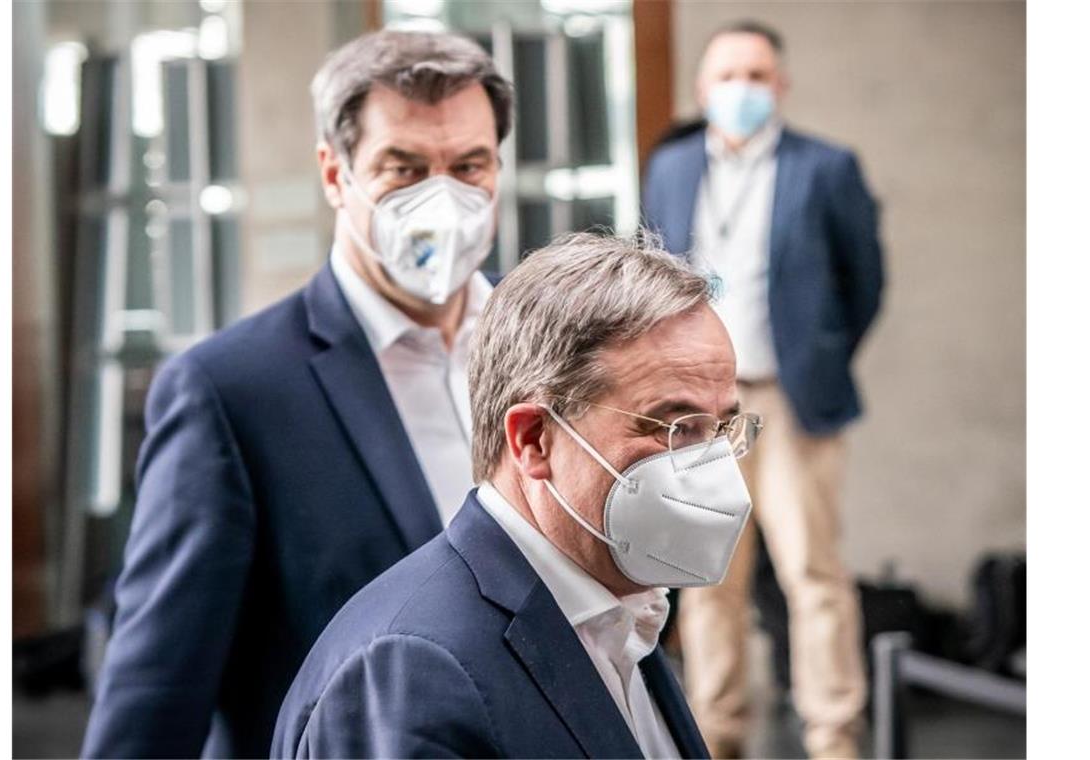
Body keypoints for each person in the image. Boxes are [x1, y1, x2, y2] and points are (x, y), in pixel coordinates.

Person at [81, 30, 513, 758]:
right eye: (402, 169)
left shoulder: (551, 349)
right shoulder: (231, 392)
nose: (443, 198)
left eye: (469, 165)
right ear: (335, 175)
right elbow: (156, 695)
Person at [272, 231, 765, 759]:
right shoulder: (411, 671)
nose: (711, 466)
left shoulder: (622, 612)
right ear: (533, 439)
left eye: (723, 428)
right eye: (676, 427)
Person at [641, 19, 885, 759]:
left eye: (756, 76)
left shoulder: (827, 167)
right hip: (700, 411)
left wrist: (820, 355)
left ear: (780, 85)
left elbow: (865, 282)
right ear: (701, 90)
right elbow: (651, 270)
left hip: (789, 398)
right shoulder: (674, 166)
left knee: (813, 574)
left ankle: (833, 733)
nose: (741, 90)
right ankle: (717, 735)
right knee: (709, 577)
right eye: (727, 76)